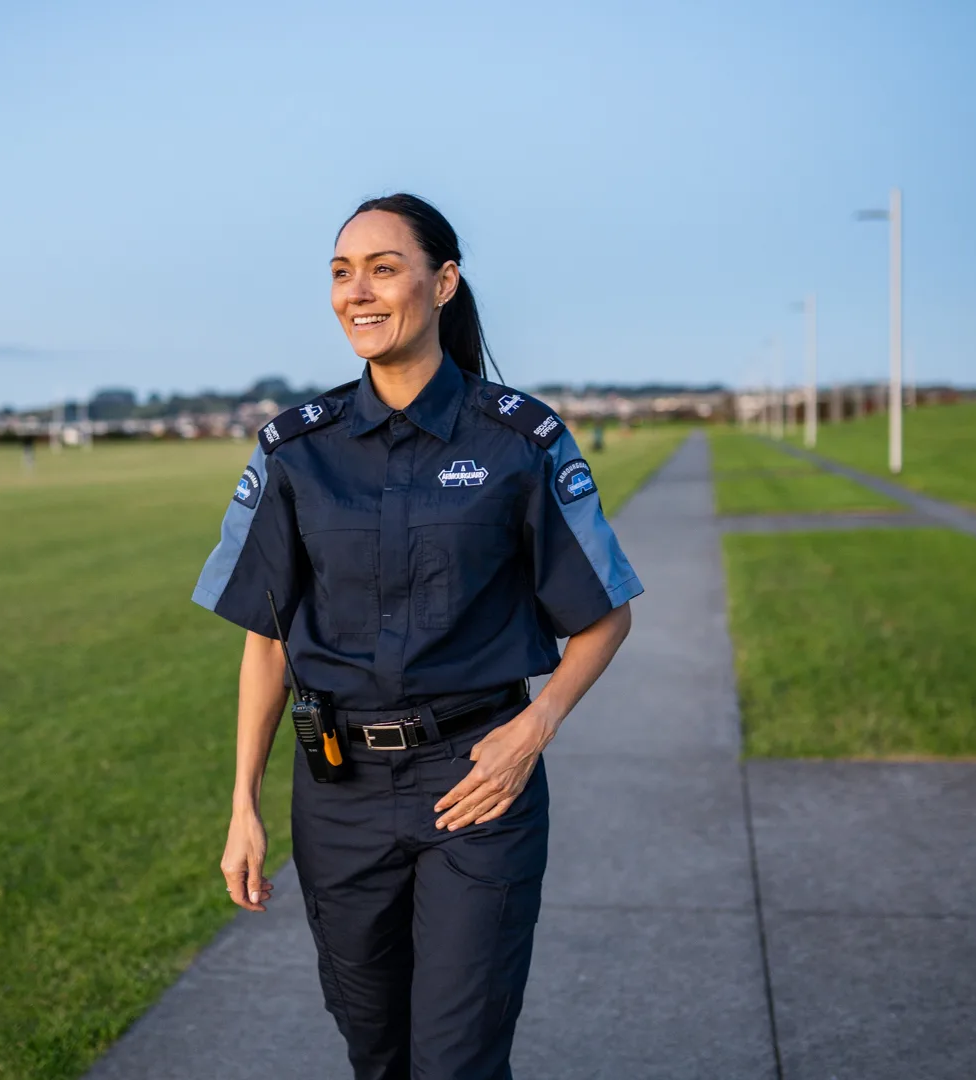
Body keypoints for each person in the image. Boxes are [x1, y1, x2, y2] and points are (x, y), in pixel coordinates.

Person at [191, 194, 641, 1080]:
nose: (357, 290)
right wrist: (242, 805)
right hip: (337, 792)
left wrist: (530, 732)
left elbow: (604, 613)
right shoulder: (294, 450)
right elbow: (268, 641)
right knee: (378, 1054)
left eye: (383, 267)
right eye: (340, 271)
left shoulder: (521, 439)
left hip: (476, 783)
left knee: (457, 1061)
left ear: (443, 283)